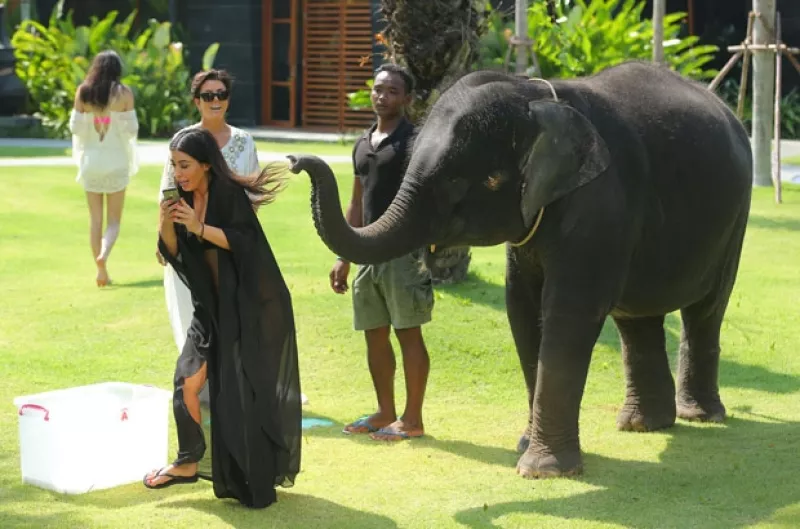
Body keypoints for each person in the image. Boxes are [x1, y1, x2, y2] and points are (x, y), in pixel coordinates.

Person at [144, 128, 302, 509]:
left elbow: (247, 243)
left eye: (184, 166)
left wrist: (199, 227)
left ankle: (255, 476)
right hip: (208, 310)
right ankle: (188, 460)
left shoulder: (228, 196)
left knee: (242, 399)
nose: (177, 173)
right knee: (186, 382)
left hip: (245, 309)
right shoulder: (180, 198)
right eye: (173, 166)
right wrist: (167, 220)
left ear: (205, 166)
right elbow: (168, 253)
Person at [334, 63, 434, 441]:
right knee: (374, 335)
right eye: (378, 89)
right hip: (367, 253)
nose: (382, 96)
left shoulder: (415, 142)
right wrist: (344, 253)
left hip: (404, 254)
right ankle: (385, 411)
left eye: (392, 91)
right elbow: (357, 201)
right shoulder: (363, 142)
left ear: (406, 99)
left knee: (408, 333)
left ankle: (412, 419)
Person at [158, 69, 260, 354]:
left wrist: (244, 242)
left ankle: (228, 383)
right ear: (196, 101)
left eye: (221, 94)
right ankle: (197, 381)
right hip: (188, 242)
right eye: (208, 95)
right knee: (188, 309)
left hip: (227, 241)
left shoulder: (244, 142)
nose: (215, 100)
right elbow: (168, 191)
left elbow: (251, 198)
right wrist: (164, 238)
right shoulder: (183, 138)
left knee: (231, 314)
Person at [69, 50, 138, 287]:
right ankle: (104, 254)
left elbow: (75, 129)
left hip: (90, 161)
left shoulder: (83, 91)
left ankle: (102, 271)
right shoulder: (124, 93)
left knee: (95, 220)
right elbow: (131, 130)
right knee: (114, 222)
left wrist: (96, 120)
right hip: (116, 161)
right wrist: (113, 119)